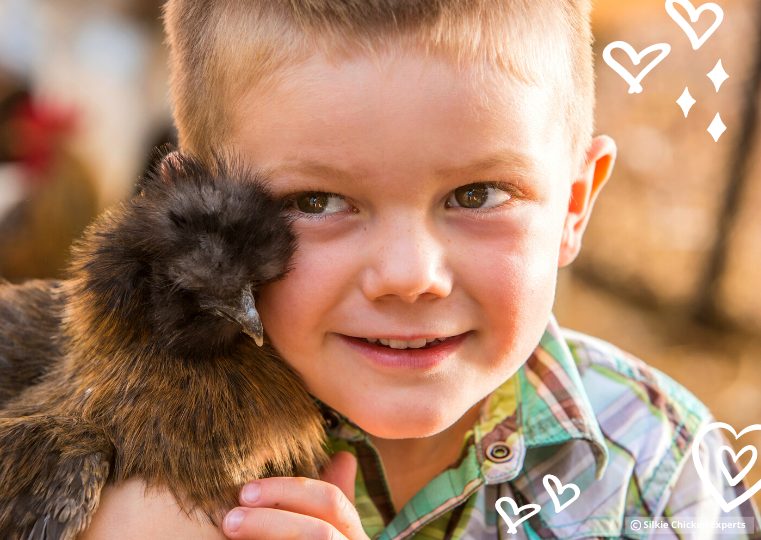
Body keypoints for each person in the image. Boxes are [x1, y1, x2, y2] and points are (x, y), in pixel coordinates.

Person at [79, 1, 761, 538]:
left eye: (477, 195)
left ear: (575, 206)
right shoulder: (108, 480)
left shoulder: (664, 473)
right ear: (200, 212)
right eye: (316, 202)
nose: (410, 275)